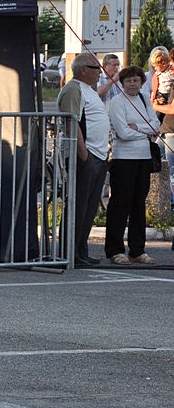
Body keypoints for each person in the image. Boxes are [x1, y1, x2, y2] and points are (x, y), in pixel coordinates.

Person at [57, 52, 111, 267]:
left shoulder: (90, 91)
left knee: (89, 207)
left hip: (98, 154)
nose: (100, 72)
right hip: (84, 156)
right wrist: (84, 154)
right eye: (96, 68)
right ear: (83, 70)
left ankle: (81, 250)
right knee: (78, 205)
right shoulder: (73, 89)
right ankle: (70, 252)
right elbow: (72, 123)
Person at [106, 66, 159, 266]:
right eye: (128, 81)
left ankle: (137, 250)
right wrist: (146, 132)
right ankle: (115, 250)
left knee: (138, 203)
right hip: (123, 159)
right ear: (122, 82)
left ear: (141, 82)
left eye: (136, 80)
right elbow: (123, 133)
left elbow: (156, 125)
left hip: (144, 158)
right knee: (120, 203)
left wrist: (140, 128)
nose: (132, 84)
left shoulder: (145, 100)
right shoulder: (117, 102)